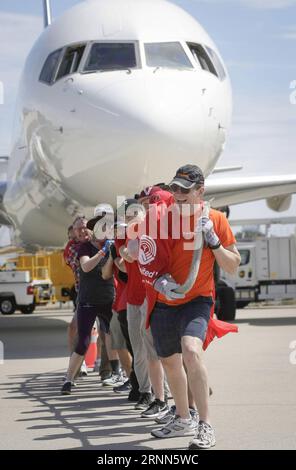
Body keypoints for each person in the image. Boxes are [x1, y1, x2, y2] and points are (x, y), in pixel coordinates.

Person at [138, 165, 241, 449]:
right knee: (170, 361)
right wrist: (156, 281)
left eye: (185, 189)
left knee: (191, 351)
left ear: (200, 191)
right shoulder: (158, 219)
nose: (179, 194)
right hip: (163, 301)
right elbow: (143, 255)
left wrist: (214, 242)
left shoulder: (216, 219)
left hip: (197, 299)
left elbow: (233, 266)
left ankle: (205, 425)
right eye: (175, 188)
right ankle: (183, 418)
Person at [61, 213, 116, 395]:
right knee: (83, 340)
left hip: (108, 297)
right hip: (88, 299)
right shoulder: (83, 247)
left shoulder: (113, 246)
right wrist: (102, 252)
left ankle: (116, 372)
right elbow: (85, 266)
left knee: (111, 335)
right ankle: (69, 379)